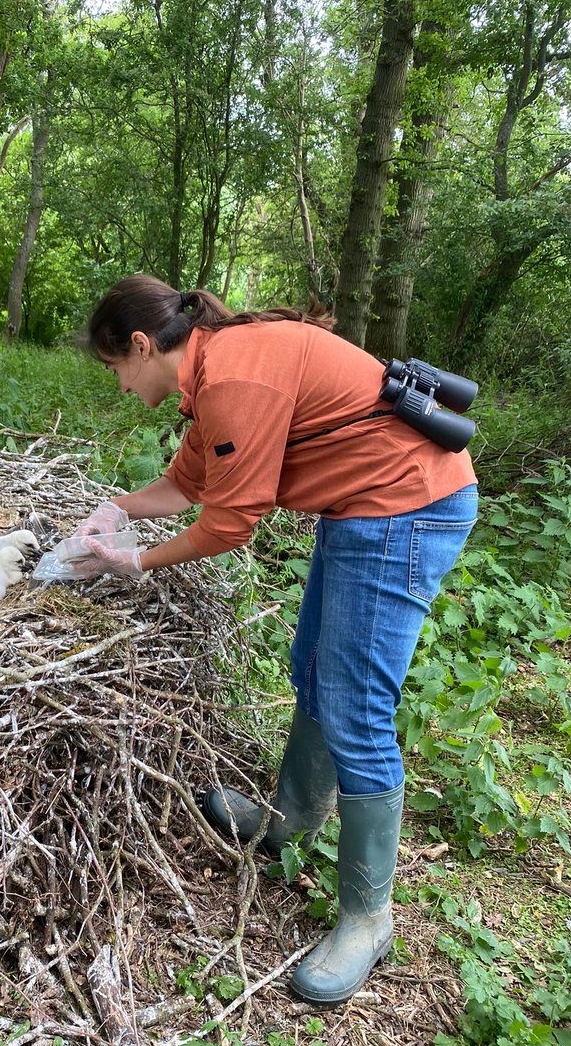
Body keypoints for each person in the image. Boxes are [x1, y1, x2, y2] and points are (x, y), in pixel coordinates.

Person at [68, 273, 478, 1007]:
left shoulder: (234, 377)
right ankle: (290, 820)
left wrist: (135, 562)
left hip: (405, 507)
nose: (122, 388)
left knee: (355, 708)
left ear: (140, 346)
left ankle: (367, 918)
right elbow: (187, 487)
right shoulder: (212, 374)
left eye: (117, 372)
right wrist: (115, 511)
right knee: (315, 667)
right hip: (361, 509)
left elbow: (230, 525)